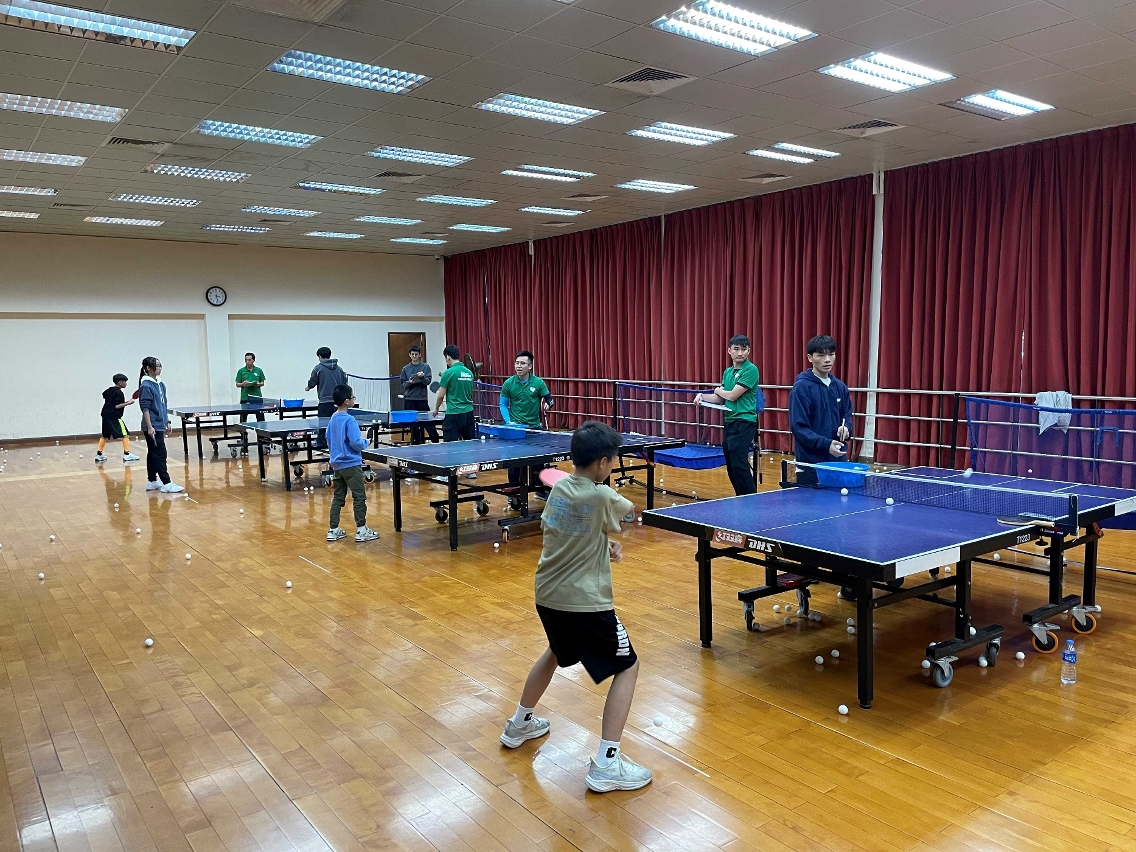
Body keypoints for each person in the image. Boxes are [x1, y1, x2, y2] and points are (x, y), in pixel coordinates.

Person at [499, 421, 650, 792]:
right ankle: (607, 764)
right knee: (627, 666)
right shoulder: (602, 495)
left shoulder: (561, 488)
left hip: (548, 596)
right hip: (584, 602)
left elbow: (569, 532)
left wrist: (602, 543)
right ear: (602, 463)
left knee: (555, 651)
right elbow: (631, 514)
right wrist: (617, 509)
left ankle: (519, 724)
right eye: (612, 460)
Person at [789, 334, 854, 600]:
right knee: (810, 521)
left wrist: (846, 430)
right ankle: (809, 571)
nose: (827, 359)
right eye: (821, 355)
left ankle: (842, 573)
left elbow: (847, 415)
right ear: (810, 358)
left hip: (836, 465)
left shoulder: (840, 387)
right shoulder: (802, 388)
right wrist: (825, 444)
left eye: (831, 354)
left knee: (839, 519)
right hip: (810, 465)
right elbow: (799, 428)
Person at [695, 334, 759, 495]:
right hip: (730, 421)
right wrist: (702, 396)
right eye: (736, 349)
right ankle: (740, 497)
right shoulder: (727, 372)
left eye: (744, 349)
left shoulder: (751, 370)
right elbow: (719, 398)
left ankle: (750, 499)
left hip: (745, 421)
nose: (740, 353)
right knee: (731, 464)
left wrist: (717, 390)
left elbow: (731, 395)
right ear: (729, 351)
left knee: (739, 463)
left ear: (749, 351)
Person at [326, 383, 380, 543]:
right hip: (351, 465)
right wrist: (366, 442)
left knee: (338, 497)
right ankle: (362, 530)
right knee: (359, 497)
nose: (353, 399)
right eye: (352, 397)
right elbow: (356, 442)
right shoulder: (349, 420)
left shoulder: (332, 419)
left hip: (337, 465)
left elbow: (328, 438)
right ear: (347, 401)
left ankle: (333, 530)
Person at [500, 350, 553, 492]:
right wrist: (508, 422)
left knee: (538, 462)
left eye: (522, 363)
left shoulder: (538, 382)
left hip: (534, 428)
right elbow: (503, 404)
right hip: (516, 430)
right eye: (517, 363)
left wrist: (549, 404)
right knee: (514, 462)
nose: (518, 366)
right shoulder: (509, 383)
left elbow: (549, 399)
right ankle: (513, 492)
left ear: (530, 366)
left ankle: (539, 491)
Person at [138, 356, 184, 493]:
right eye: (156, 366)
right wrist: (150, 426)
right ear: (148, 368)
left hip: (160, 423)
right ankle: (167, 483)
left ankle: (152, 481)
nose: (159, 368)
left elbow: (164, 405)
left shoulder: (161, 384)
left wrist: (167, 421)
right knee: (160, 453)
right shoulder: (146, 385)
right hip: (152, 425)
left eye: (160, 365)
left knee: (153, 452)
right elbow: (145, 407)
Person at [433, 345, 477, 476]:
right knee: (469, 443)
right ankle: (471, 472)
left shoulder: (448, 373)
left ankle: (448, 475)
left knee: (450, 445)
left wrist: (436, 409)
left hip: (454, 413)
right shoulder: (469, 373)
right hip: (468, 413)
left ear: (448, 357)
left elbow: (440, 395)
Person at [306, 347, 347, 450]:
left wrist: (308, 387)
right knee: (337, 424)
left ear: (320, 356)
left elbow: (313, 381)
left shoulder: (318, 368)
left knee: (323, 424)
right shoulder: (339, 369)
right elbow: (344, 383)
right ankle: (337, 444)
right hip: (338, 402)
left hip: (324, 401)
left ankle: (322, 445)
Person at [399, 345, 439, 445]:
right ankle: (416, 442)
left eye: (416, 354)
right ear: (409, 355)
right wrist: (409, 383)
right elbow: (403, 384)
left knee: (428, 422)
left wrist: (422, 378)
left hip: (422, 399)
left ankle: (435, 439)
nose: (414, 356)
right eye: (412, 354)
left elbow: (427, 382)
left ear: (420, 355)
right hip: (409, 399)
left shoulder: (426, 367)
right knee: (413, 424)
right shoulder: (405, 369)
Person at [95, 373, 139, 464]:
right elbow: (117, 406)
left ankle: (99, 455)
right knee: (125, 434)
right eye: (124, 382)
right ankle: (127, 454)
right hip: (114, 416)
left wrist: (126, 402)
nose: (126, 383)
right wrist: (128, 403)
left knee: (105, 435)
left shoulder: (110, 391)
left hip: (105, 415)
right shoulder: (119, 393)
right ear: (120, 383)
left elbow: (114, 403)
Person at [235, 352, 267, 455]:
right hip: (245, 398)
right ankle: (244, 441)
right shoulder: (241, 371)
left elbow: (262, 382)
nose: (247, 362)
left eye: (249, 360)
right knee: (243, 421)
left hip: (257, 399)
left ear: (253, 360)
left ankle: (263, 440)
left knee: (261, 421)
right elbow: (237, 384)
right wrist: (243, 384)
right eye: (246, 360)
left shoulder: (259, 370)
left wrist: (257, 384)